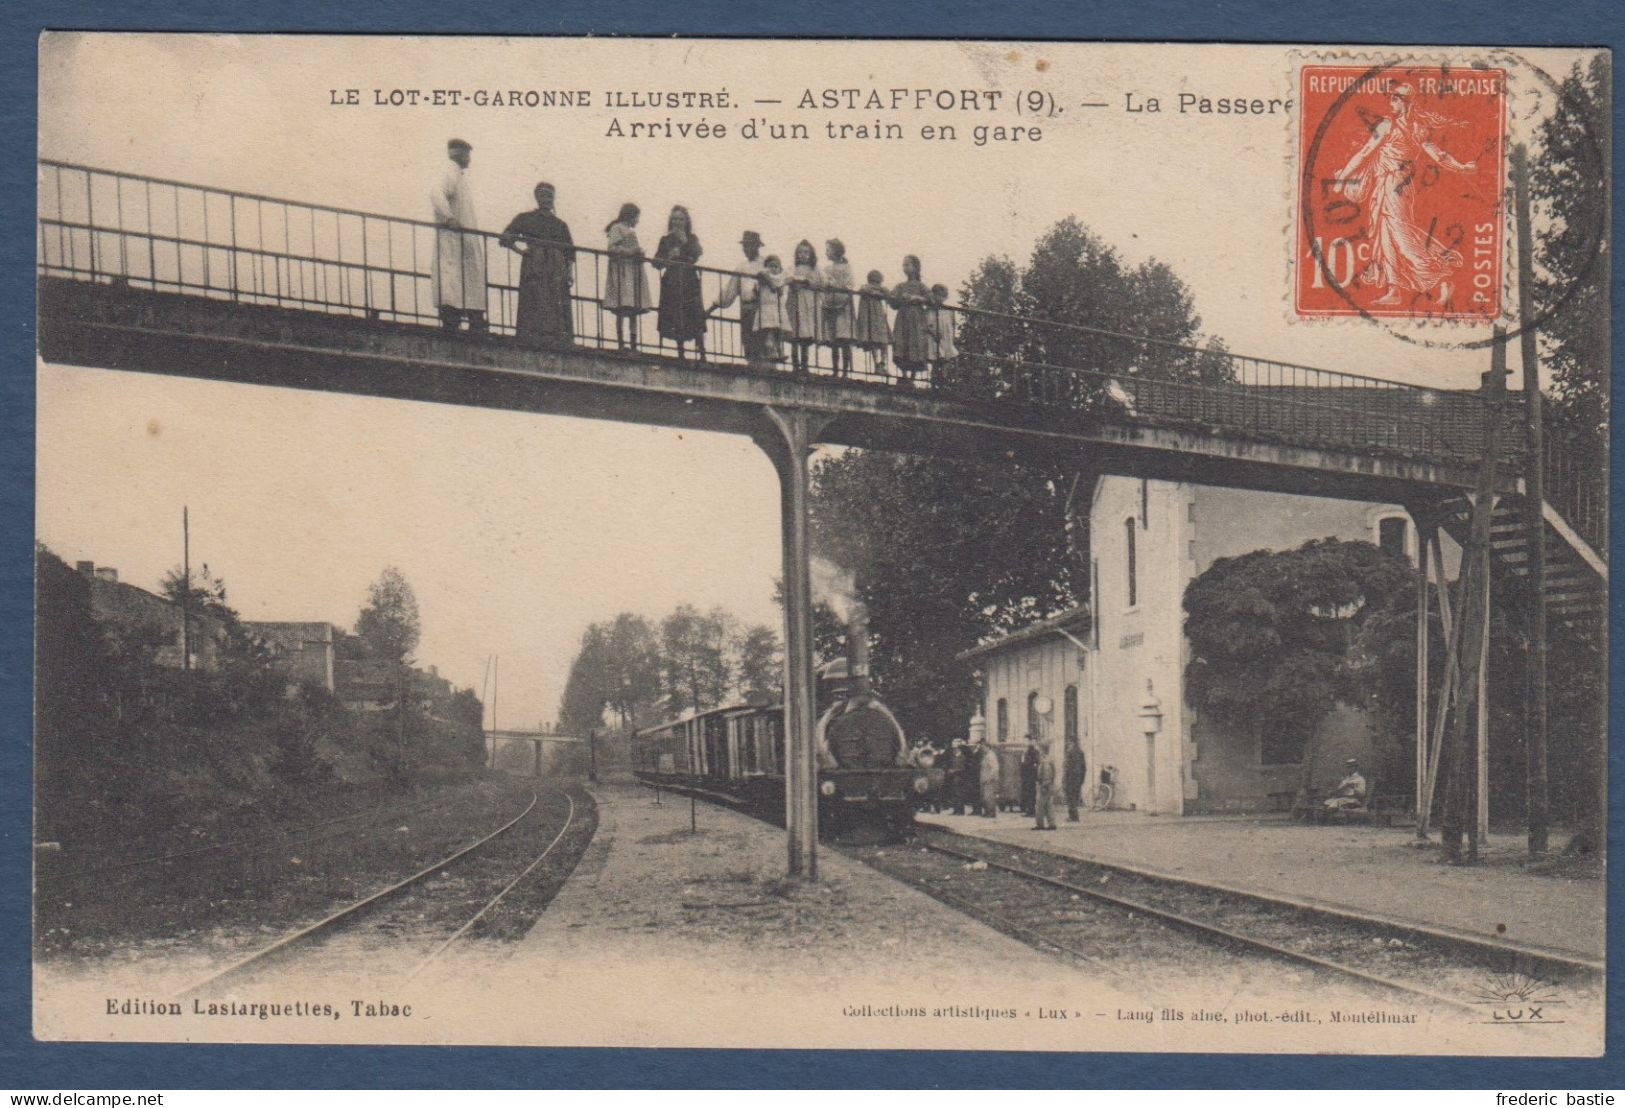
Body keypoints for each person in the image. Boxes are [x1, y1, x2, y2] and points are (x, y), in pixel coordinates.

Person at [1333, 83, 1478, 307]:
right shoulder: (1413, 127)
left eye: (1394, 99)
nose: (1390, 104)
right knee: (1385, 235)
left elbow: (1365, 153)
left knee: (1401, 235)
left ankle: (1441, 278)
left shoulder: (1393, 126)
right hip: (1389, 185)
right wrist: (1462, 167)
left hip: (1395, 186)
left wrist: (1342, 176)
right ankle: (1394, 290)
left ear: (1405, 102)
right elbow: (1438, 156)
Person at [499, 182, 575, 348]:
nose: (546, 199)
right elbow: (505, 238)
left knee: (556, 301)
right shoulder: (525, 218)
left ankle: (557, 338)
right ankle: (531, 335)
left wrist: (569, 273)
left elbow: (570, 252)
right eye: (543, 196)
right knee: (534, 298)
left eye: (549, 196)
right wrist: (521, 251)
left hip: (556, 267)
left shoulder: (560, 225)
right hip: (535, 264)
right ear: (536, 197)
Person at [429, 139, 488, 334]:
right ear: (460, 154)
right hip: (453, 238)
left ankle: (473, 318)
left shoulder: (458, 174)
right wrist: (448, 218)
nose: (469, 159)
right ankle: (454, 319)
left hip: (463, 238)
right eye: (468, 154)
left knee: (465, 279)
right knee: (452, 279)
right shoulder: (450, 170)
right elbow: (436, 193)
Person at [653, 206, 707, 361]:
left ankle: (702, 352)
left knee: (694, 314)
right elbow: (656, 262)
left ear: (686, 221)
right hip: (672, 281)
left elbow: (697, 253)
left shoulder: (691, 238)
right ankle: (681, 353)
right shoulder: (665, 239)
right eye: (674, 219)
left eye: (680, 219)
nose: (677, 222)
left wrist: (684, 240)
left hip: (689, 280)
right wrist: (668, 257)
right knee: (676, 315)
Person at [709, 230, 768, 363]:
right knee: (749, 346)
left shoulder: (766, 264)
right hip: (746, 309)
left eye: (750, 245)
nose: (746, 249)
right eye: (745, 246)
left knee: (763, 347)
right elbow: (729, 291)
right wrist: (711, 308)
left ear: (757, 246)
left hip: (762, 310)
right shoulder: (741, 267)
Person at [603, 203, 651, 350]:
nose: (638, 220)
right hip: (623, 273)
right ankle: (621, 343)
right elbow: (612, 248)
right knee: (621, 305)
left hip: (633, 273)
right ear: (630, 216)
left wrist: (639, 253)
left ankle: (633, 343)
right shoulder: (617, 228)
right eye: (637, 217)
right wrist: (630, 252)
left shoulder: (629, 231)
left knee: (633, 308)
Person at [888, 255, 931, 382]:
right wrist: (897, 298)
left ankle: (912, 376)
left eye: (907, 265)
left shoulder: (921, 285)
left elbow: (930, 298)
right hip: (902, 318)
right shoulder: (900, 286)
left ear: (915, 267)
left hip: (916, 319)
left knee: (914, 344)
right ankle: (904, 375)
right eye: (903, 265)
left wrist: (916, 298)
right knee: (901, 343)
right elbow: (892, 302)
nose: (904, 268)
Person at [783, 240, 821, 376]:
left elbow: (820, 281)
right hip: (794, 302)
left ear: (811, 254)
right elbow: (787, 276)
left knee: (805, 335)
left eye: (806, 252)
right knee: (794, 333)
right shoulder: (793, 267)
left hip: (807, 304)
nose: (802, 255)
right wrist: (794, 281)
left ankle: (805, 365)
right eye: (799, 252)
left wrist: (807, 282)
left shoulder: (814, 269)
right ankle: (795, 364)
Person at [820, 239, 856, 378]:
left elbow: (849, 285)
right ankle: (835, 371)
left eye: (828, 249)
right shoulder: (826, 269)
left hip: (843, 307)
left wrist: (836, 288)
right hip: (830, 306)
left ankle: (845, 372)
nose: (826, 252)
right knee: (834, 340)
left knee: (844, 339)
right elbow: (823, 284)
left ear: (836, 250)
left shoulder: (847, 267)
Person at [854, 269, 892, 377]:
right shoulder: (865, 288)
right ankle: (878, 365)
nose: (876, 284)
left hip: (879, 318)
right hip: (871, 318)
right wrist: (875, 291)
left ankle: (882, 364)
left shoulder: (881, 289)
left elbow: (887, 294)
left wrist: (879, 291)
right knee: (875, 342)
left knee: (883, 341)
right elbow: (863, 289)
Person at [927, 284, 959, 368]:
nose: (940, 298)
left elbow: (952, 324)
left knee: (946, 356)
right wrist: (933, 332)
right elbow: (927, 323)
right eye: (938, 295)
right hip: (935, 337)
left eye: (943, 296)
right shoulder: (930, 309)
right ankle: (936, 373)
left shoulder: (948, 310)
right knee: (937, 356)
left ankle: (944, 373)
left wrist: (953, 336)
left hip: (946, 336)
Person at [1034, 739, 1058, 831]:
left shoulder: (1046, 760)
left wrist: (1045, 785)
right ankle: (1051, 823)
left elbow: (1047, 773)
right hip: (1047, 784)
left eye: (1039, 748)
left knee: (1040, 805)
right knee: (1048, 805)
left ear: (1042, 749)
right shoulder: (1046, 759)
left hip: (1044, 785)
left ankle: (1040, 824)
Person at [1063, 737, 1086, 822]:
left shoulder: (1069, 752)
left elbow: (1067, 768)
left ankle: (1073, 816)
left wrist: (1064, 780)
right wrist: (1082, 779)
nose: (1069, 744)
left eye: (1069, 742)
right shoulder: (1081, 753)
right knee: (1075, 797)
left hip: (1070, 778)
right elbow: (1084, 767)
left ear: (1072, 742)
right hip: (1078, 779)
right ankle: (1074, 816)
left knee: (1070, 798)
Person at [978, 737, 1001, 819]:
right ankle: (987, 811)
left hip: (989, 780)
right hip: (985, 779)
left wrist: (990, 777)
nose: (982, 749)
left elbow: (995, 768)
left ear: (987, 747)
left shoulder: (991, 755)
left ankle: (991, 812)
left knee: (989, 796)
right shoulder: (986, 755)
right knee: (985, 797)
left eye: (983, 747)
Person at [1019, 737, 1040, 817]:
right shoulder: (1025, 752)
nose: (1025, 743)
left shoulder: (1033, 752)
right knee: (1027, 794)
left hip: (1030, 776)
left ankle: (1031, 811)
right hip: (1025, 776)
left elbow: (1035, 763)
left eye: (1026, 741)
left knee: (1031, 794)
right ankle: (1029, 810)